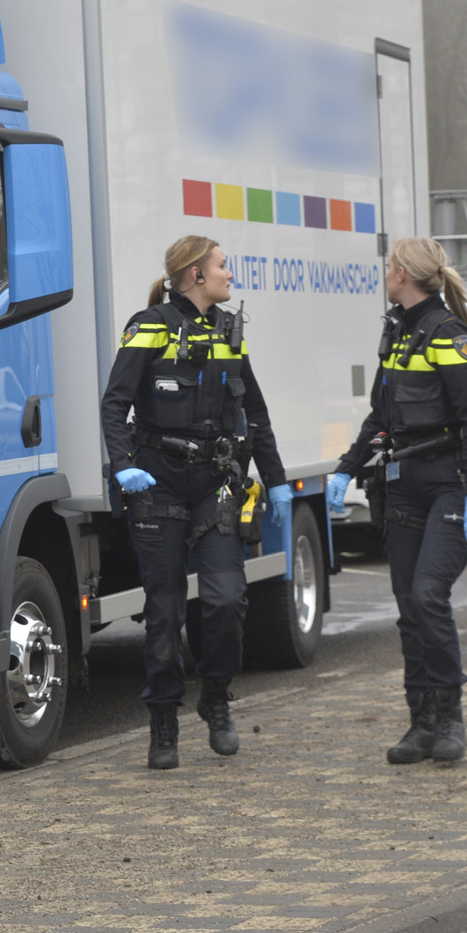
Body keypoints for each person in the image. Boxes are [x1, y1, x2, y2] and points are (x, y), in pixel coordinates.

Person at [101, 236, 290, 770]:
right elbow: (115, 404)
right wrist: (123, 466)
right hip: (157, 481)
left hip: (217, 482)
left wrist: (274, 479)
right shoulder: (151, 324)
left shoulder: (229, 332)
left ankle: (215, 697)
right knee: (163, 612)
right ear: (195, 275)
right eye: (223, 266)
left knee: (227, 600)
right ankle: (163, 721)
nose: (230, 274)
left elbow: (256, 409)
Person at [328, 236, 467, 764]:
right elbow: (382, 418)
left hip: (446, 486)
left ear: (403, 273)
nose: (385, 273)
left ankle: (450, 718)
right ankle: (420, 723)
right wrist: (346, 468)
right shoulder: (397, 333)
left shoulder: (449, 335)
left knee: (427, 596)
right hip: (402, 487)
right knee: (407, 608)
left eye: (389, 266)